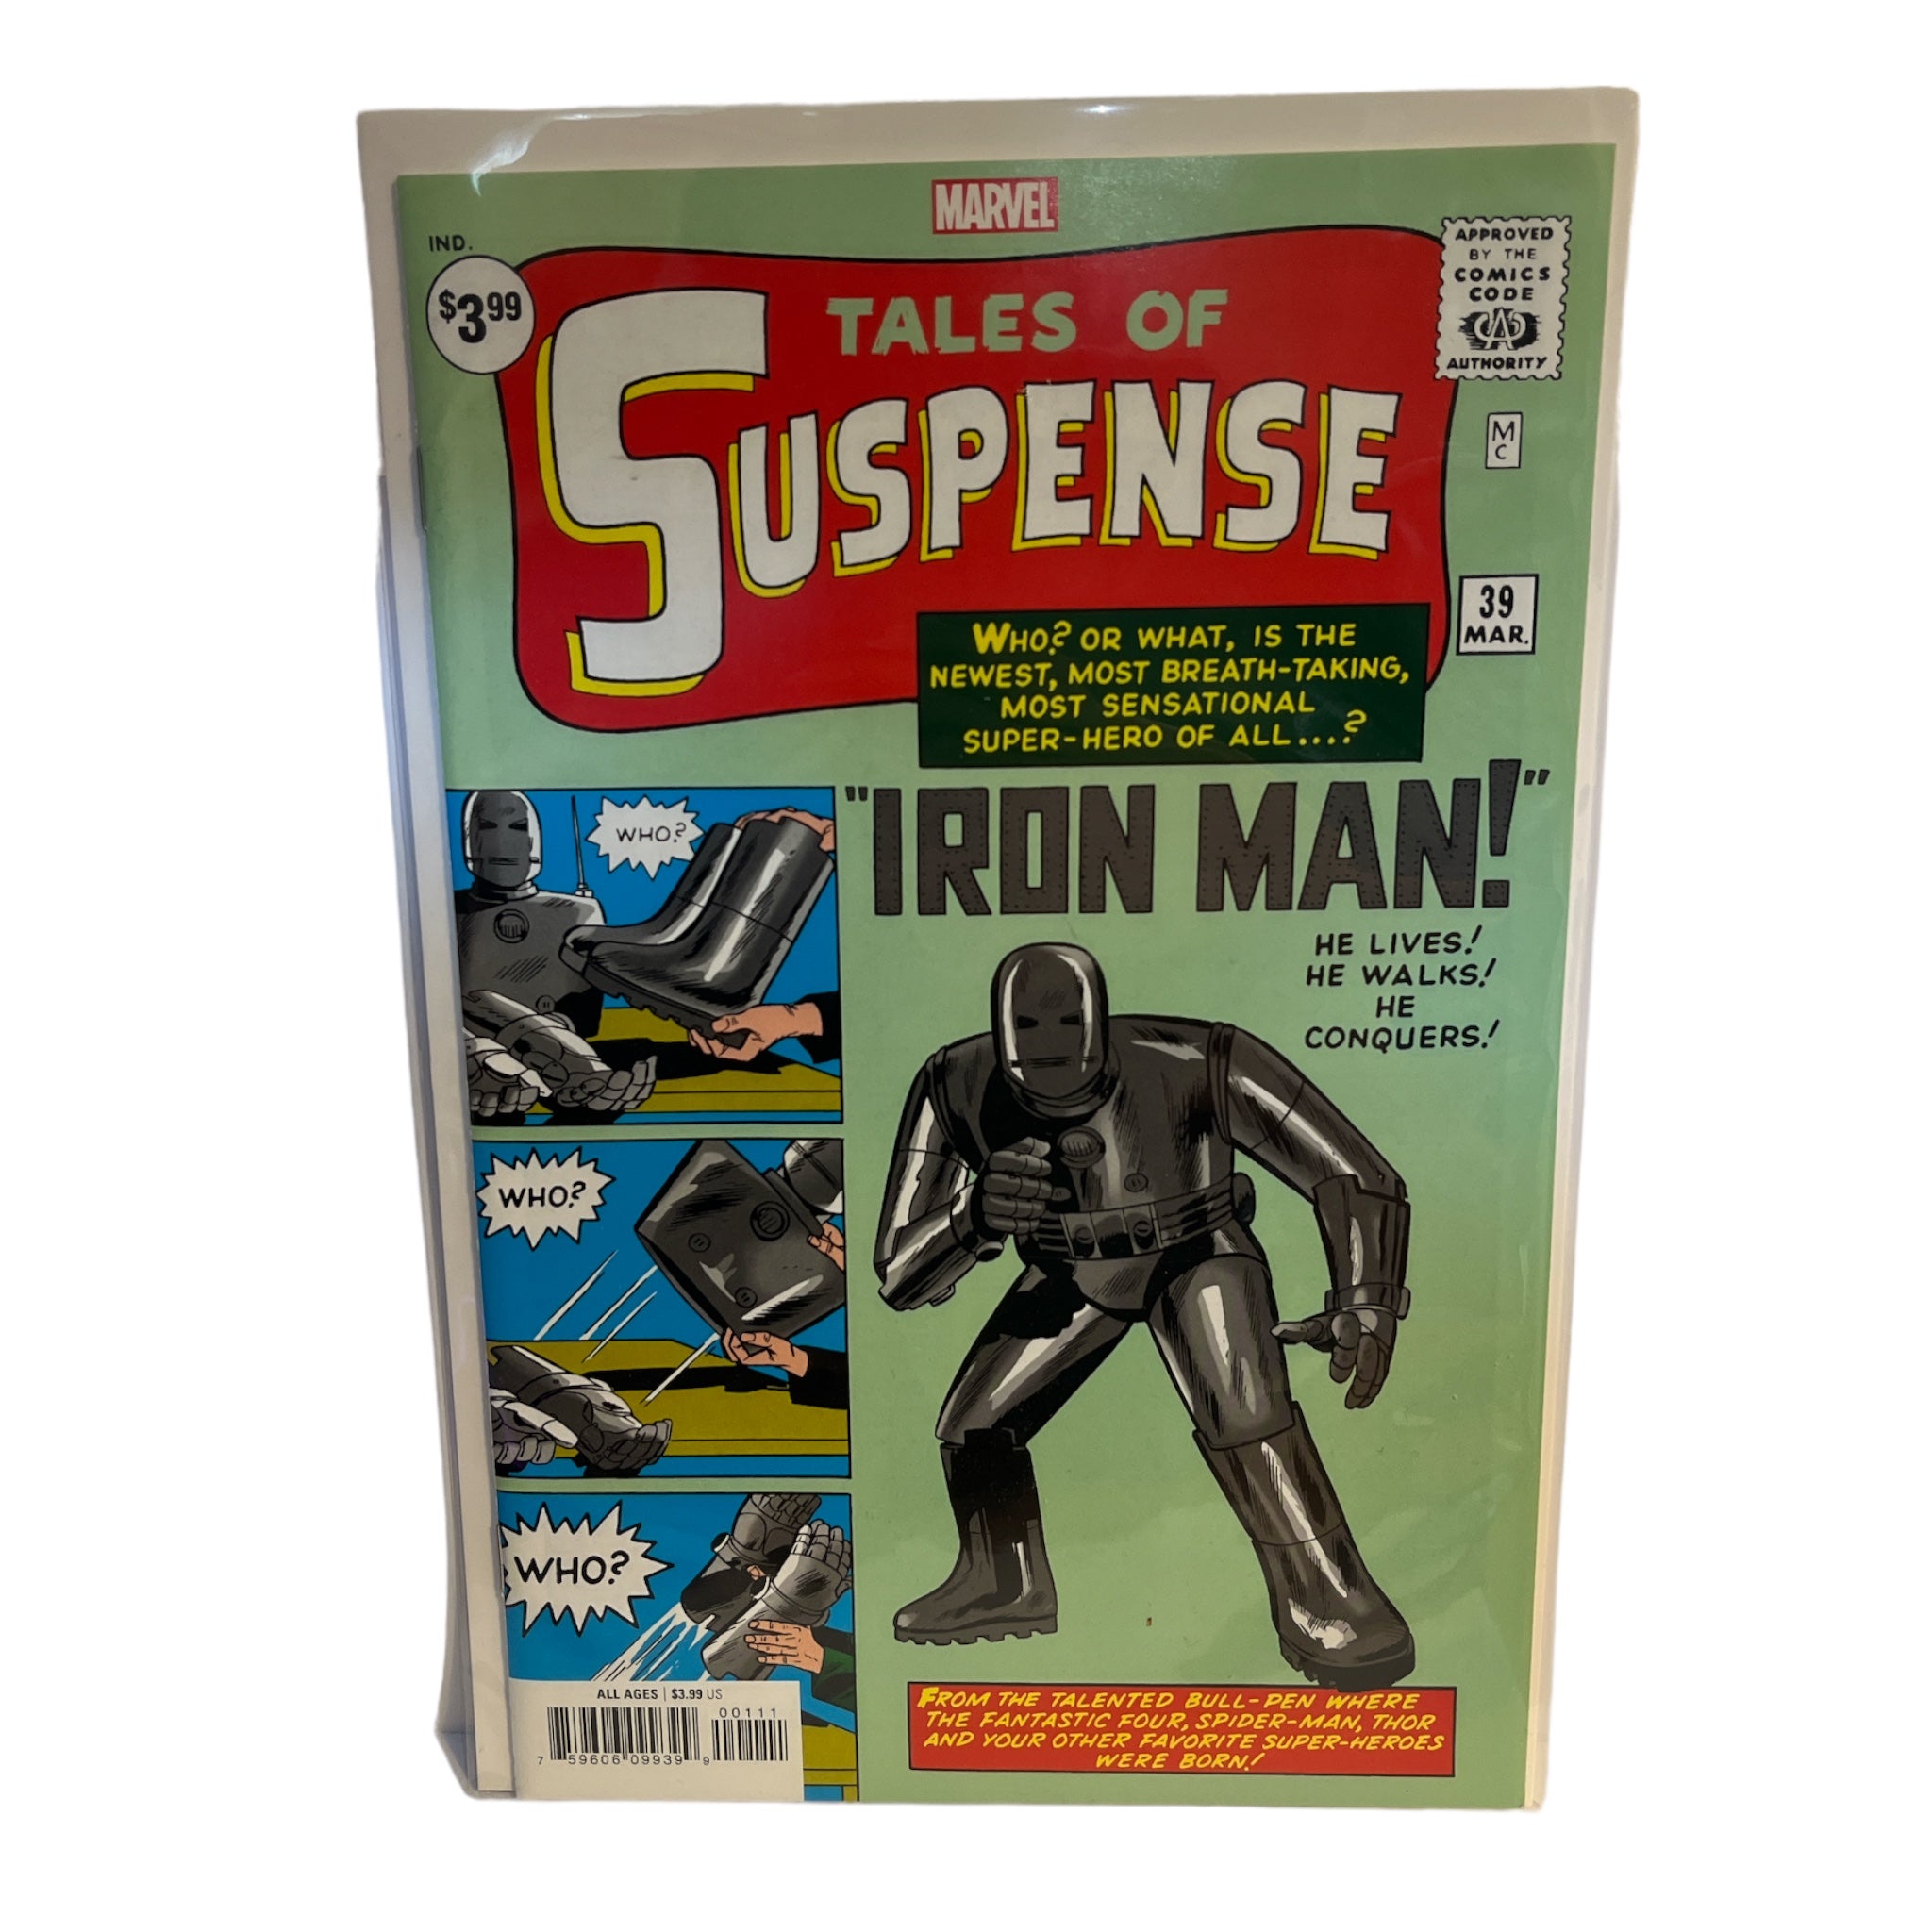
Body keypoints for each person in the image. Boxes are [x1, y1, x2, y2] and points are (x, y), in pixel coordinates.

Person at [874, 941, 1416, 1688]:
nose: (1050, 1044)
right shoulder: (952, 1083)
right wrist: (973, 1217)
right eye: (1027, 1025)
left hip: (1196, 1249)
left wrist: (1366, 1296)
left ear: (1100, 1017)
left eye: (1067, 1022)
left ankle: (1327, 1590)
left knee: (1247, 1414)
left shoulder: (1198, 1059)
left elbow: (1350, 1169)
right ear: (998, 1031)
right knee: (972, 1426)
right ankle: (1001, 1580)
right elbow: (899, 1274)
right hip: (1068, 1268)